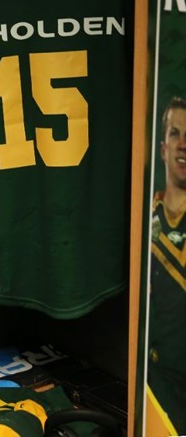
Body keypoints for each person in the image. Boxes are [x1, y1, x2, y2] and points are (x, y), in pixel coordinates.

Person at [148, 95, 186, 435]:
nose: (183, 145)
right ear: (163, 147)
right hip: (151, 385)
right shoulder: (144, 218)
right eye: (175, 133)